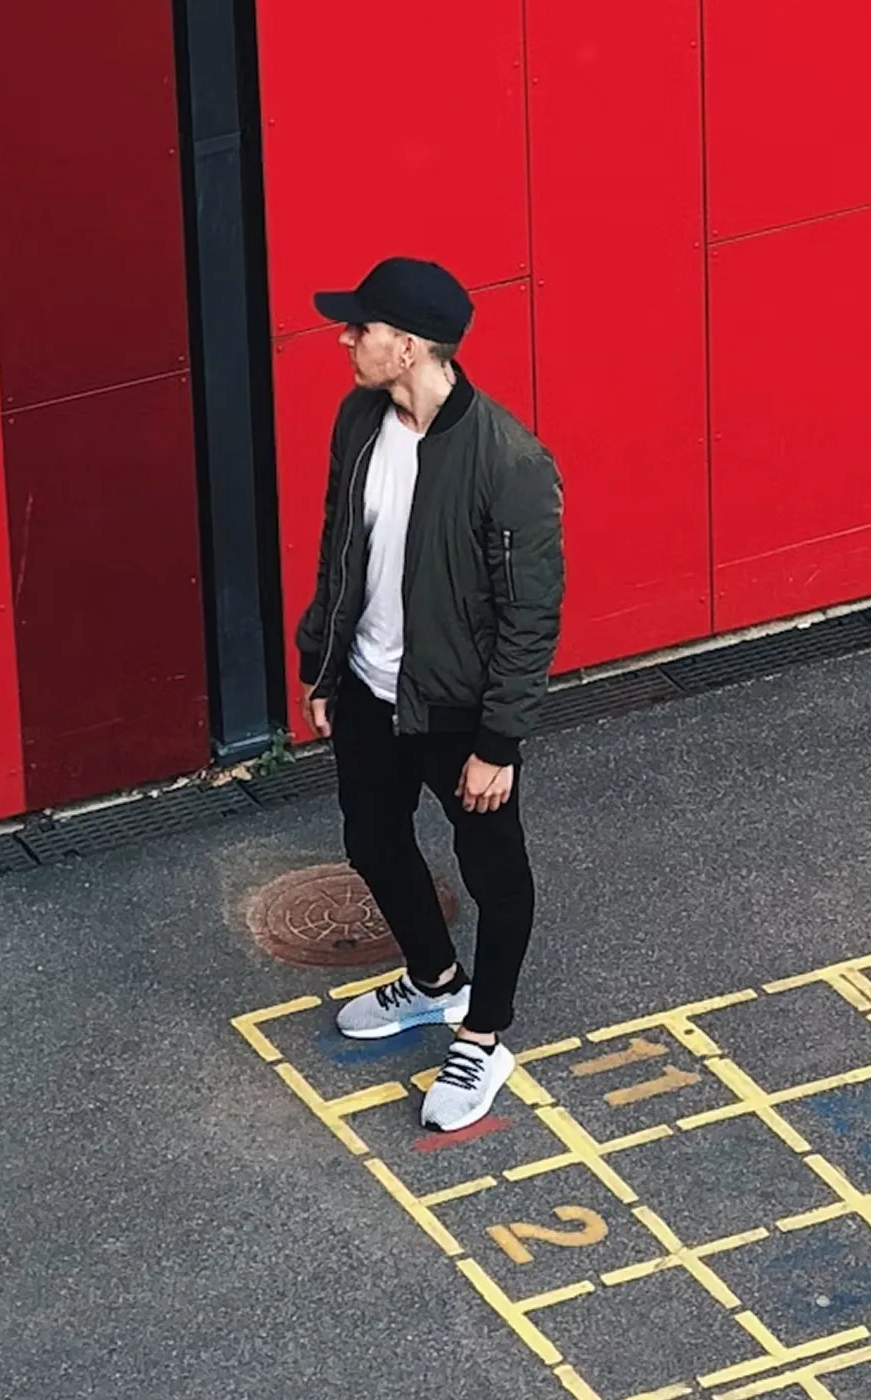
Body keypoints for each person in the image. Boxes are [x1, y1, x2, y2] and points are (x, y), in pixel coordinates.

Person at [297, 256, 566, 1133]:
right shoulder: (359, 421)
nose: (346, 338)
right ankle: (435, 982)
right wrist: (324, 663)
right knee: (373, 843)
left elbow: (531, 615)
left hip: (458, 712)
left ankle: (484, 1037)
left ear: (408, 346)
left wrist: (499, 743)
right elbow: (340, 548)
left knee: (494, 873)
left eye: (361, 327)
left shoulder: (508, 461)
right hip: (369, 692)